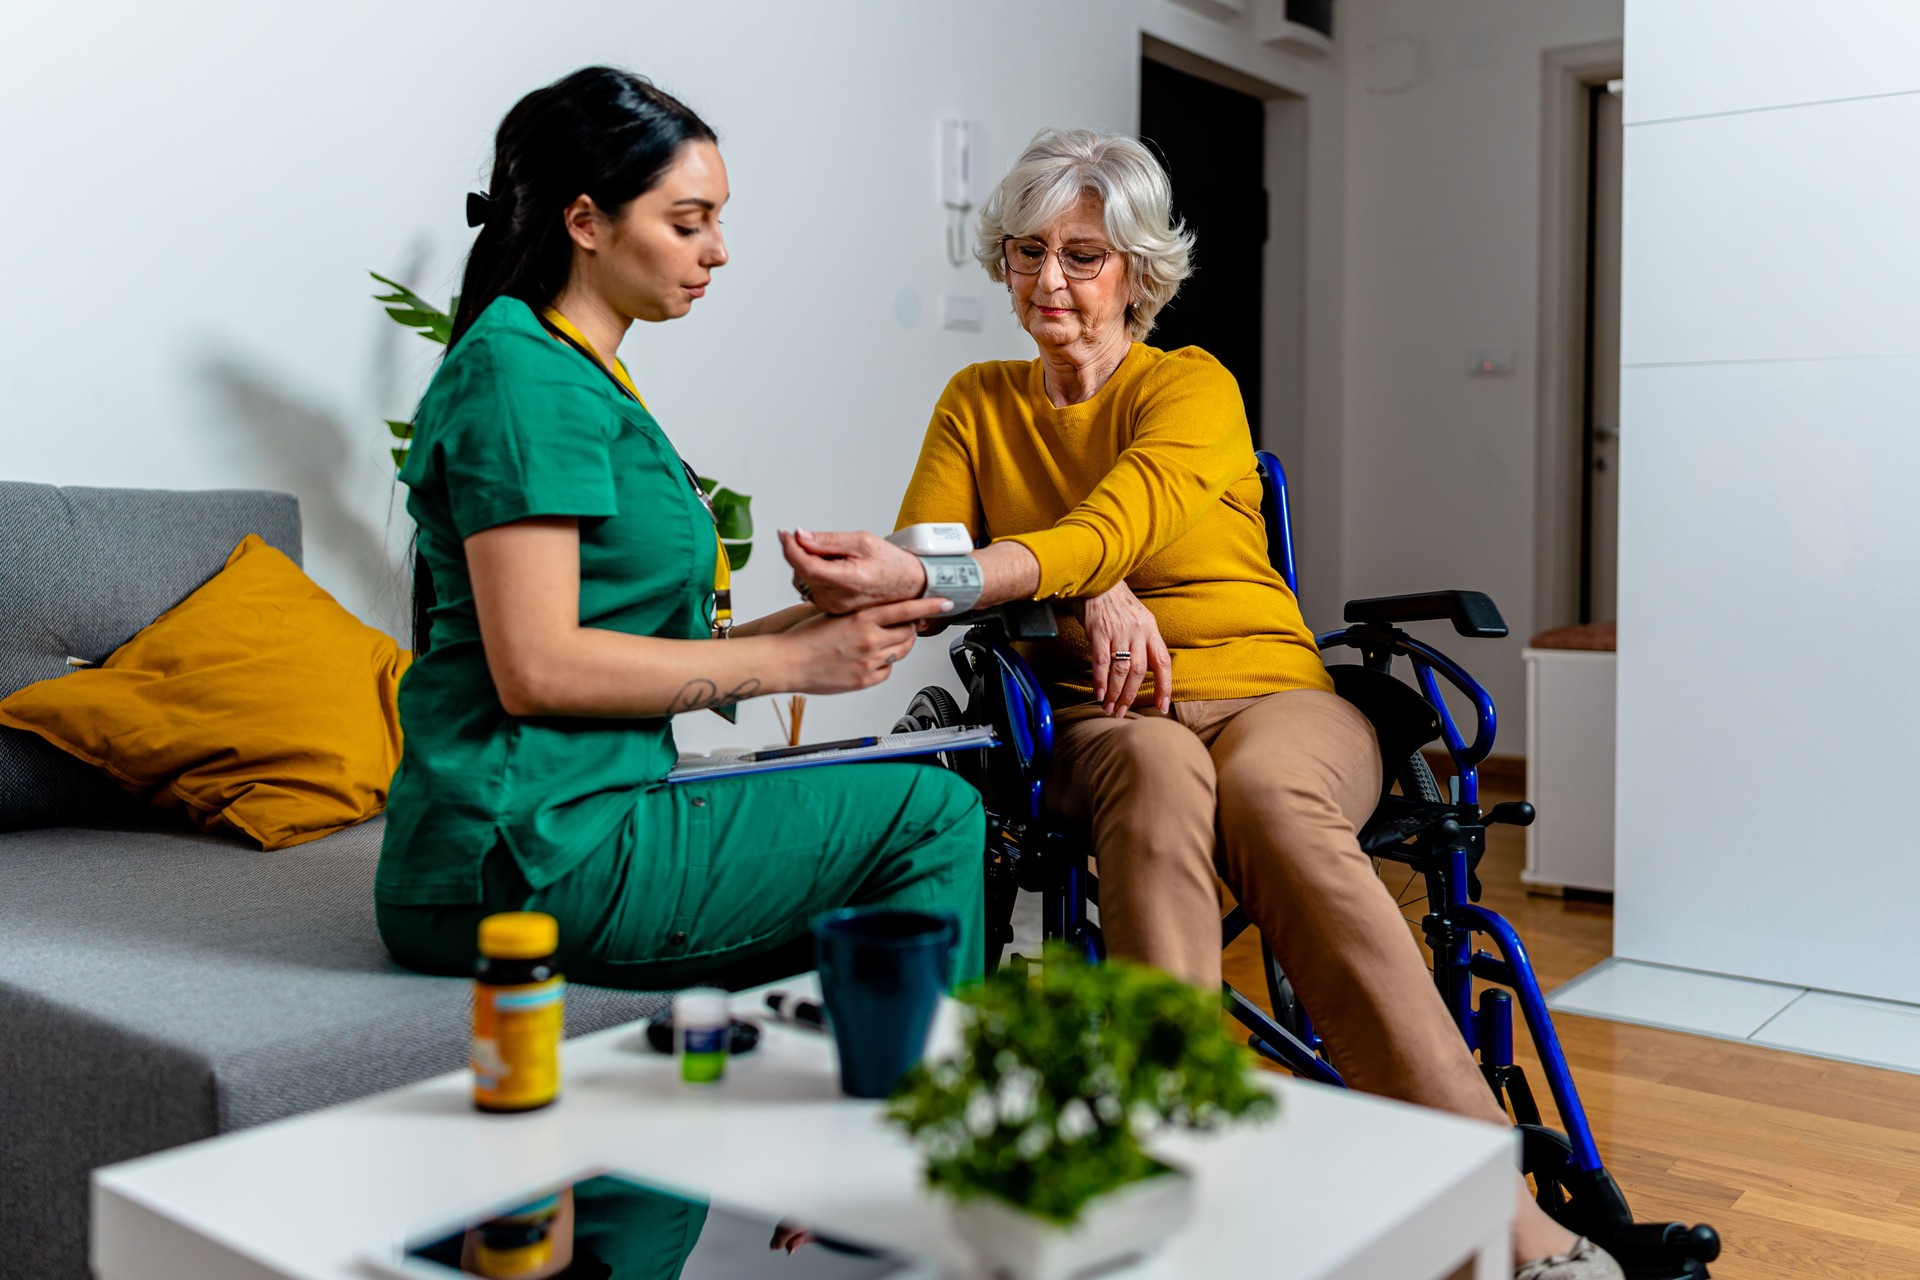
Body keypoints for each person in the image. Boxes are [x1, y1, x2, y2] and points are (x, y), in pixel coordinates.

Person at [783, 128, 1620, 1280]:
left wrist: (1086, 565)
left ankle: (1498, 1223)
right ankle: (1185, 1179)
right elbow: (934, 559)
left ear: (1138, 270)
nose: (1050, 282)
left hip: (1270, 688)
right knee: (1158, 768)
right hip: (1100, 716)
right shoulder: (976, 403)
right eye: (1027, 252)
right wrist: (1090, 600)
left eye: (1084, 255)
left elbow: (1113, 514)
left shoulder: (1192, 384)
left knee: (1275, 794)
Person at [375, 67, 983, 991]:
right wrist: (795, 666)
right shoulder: (521, 375)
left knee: (880, 839)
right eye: (688, 222)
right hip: (523, 855)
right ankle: (930, 1119)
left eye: (717, 222)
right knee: (932, 813)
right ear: (586, 223)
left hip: (574, 820)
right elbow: (537, 667)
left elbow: (627, 643)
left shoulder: (579, 372)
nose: (719, 252)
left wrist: (821, 628)